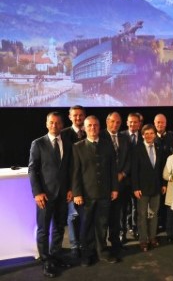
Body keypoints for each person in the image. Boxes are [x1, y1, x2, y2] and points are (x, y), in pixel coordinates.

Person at [28, 112, 73, 277]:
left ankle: (55, 255)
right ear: (47, 124)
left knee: (60, 228)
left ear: (62, 125)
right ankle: (46, 261)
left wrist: (70, 189)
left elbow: (69, 169)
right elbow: (32, 169)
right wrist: (37, 192)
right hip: (45, 196)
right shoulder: (38, 144)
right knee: (44, 229)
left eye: (58, 123)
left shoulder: (68, 143)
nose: (55, 126)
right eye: (51, 123)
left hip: (63, 195)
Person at [72, 116, 118, 266]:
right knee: (86, 225)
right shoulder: (78, 147)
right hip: (86, 195)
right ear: (85, 128)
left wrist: (114, 188)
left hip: (105, 193)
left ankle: (102, 251)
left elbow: (113, 169)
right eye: (89, 126)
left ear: (99, 127)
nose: (93, 128)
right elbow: (75, 173)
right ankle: (87, 253)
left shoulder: (107, 145)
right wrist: (77, 193)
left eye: (95, 125)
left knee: (102, 224)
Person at [99, 112, 131, 259]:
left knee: (117, 216)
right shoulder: (99, 136)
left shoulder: (125, 137)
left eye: (118, 122)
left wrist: (123, 173)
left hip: (121, 184)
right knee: (103, 218)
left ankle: (115, 243)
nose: (115, 125)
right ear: (107, 121)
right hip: (104, 186)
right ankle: (102, 248)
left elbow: (129, 159)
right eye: (112, 122)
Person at [131, 124, 166, 252]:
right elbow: (134, 170)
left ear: (155, 135)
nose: (149, 136)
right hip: (142, 189)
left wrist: (163, 184)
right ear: (142, 135)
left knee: (154, 215)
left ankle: (152, 238)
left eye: (151, 133)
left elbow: (161, 168)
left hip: (156, 187)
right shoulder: (136, 149)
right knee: (142, 215)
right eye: (146, 133)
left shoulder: (159, 147)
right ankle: (143, 241)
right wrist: (135, 187)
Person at [61, 105, 86, 258]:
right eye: (75, 115)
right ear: (70, 117)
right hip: (72, 184)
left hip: (88, 183)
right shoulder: (63, 135)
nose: (78, 118)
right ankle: (74, 246)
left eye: (80, 115)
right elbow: (64, 164)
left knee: (86, 216)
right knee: (73, 216)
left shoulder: (89, 131)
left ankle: (84, 244)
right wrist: (70, 188)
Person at [120, 112, 143, 242]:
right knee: (122, 208)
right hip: (123, 178)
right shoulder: (121, 136)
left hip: (138, 179)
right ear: (127, 123)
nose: (133, 124)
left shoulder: (144, 137)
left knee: (136, 207)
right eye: (131, 122)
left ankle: (135, 229)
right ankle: (122, 232)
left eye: (136, 122)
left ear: (139, 124)